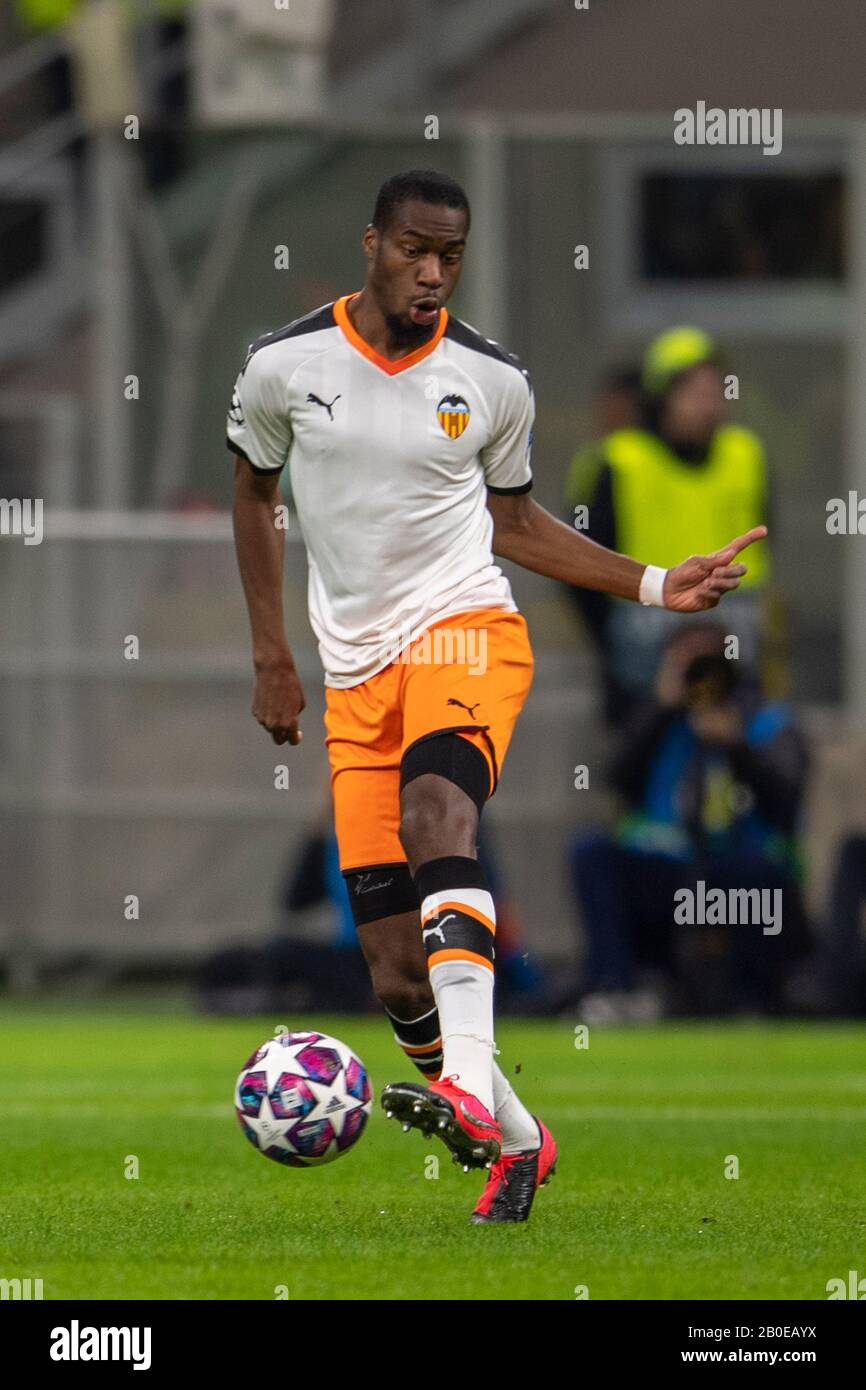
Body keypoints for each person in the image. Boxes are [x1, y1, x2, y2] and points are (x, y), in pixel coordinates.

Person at [227, 168, 765, 1224]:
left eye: (451, 255)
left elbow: (515, 527)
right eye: (414, 249)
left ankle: (465, 1088)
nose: (432, 272)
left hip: (467, 630)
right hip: (353, 671)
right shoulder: (281, 365)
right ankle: (516, 1140)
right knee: (390, 973)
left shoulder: (491, 379)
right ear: (371, 242)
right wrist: (270, 653)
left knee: (440, 818)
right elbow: (253, 497)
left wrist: (658, 582)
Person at [569, 624, 810, 1020]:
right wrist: (660, 709)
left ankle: (751, 1002)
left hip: (735, 867)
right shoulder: (658, 719)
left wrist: (737, 749)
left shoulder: (766, 719)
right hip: (665, 866)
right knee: (592, 853)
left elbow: (786, 800)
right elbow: (616, 778)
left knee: (759, 877)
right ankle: (615, 990)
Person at [564, 327, 771, 724]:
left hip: (735, 663)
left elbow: (766, 541)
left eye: (715, 392)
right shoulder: (618, 461)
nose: (708, 406)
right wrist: (614, 647)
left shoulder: (746, 456)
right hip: (643, 672)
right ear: (660, 400)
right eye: (693, 393)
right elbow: (578, 566)